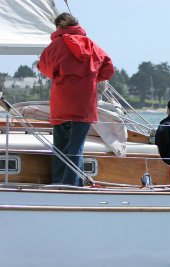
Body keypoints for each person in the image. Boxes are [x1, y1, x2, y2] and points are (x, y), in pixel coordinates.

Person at [37, 13, 114, 186]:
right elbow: (108, 70)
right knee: (75, 147)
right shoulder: (92, 46)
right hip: (84, 105)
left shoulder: (55, 46)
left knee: (60, 147)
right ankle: (72, 185)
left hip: (61, 103)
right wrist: (91, 78)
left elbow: (44, 68)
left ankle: (59, 183)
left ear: (58, 27)